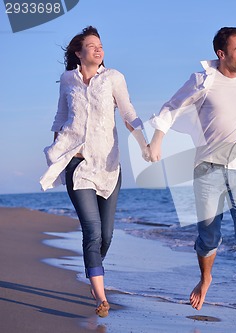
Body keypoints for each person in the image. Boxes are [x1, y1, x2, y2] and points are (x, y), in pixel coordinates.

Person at [148, 27, 236, 333]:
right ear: (221, 54)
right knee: (209, 237)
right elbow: (170, 108)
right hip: (208, 169)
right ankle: (206, 278)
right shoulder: (203, 81)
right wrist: (157, 141)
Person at [40, 26, 150, 318]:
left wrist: (144, 144)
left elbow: (128, 113)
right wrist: (56, 158)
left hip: (108, 166)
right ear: (79, 52)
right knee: (92, 231)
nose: (98, 50)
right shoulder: (68, 80)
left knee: (107, 234)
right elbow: (61, 118)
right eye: (91, 46)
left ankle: (93, 269)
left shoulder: (113, 78)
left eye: (100, 45)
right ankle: (101, 295)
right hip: (77, 164)